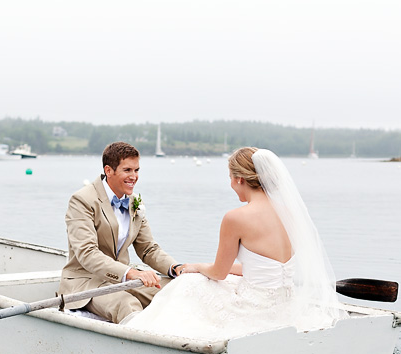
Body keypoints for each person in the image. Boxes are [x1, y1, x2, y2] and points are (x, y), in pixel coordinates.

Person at [125, 147, 347, 339]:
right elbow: (266, 267)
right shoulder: (291, 213)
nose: (231, 184)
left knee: (189, 284)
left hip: (256, 307)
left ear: (240, 179)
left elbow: (218, 273)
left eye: (230, 177)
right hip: (286, 303)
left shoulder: (236, 218)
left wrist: (196, 267)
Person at [58, 141, 181, 324]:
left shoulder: (134, 202)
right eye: (127, 170)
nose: (134, 176)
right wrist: (131, 273)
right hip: (85, 283)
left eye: (137, 170)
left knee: (177, 291)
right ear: (108, 170)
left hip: (122, 280)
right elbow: (87, 253)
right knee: (127, 304)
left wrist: (175, 268)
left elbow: (148, 249)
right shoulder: (82, 200)